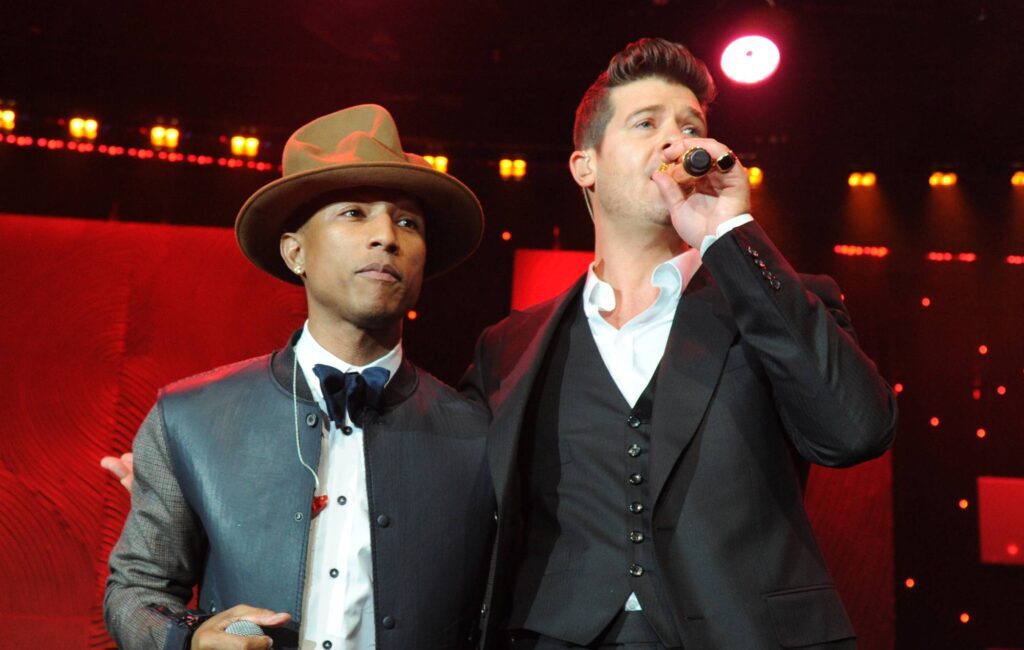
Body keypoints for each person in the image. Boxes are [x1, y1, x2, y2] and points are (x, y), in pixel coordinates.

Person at [460, 38, 898, 649]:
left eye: (690, 126)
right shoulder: (509, 346)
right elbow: (456, 513)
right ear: (585, 164)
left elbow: (855, 431)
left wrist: (728, 235)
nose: (676, 140)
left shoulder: (780, 300)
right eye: (647, 123)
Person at [104, 104, 495, 650]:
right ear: (295, 252)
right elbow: (136, 590)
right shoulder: (190, 418)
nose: (386, 235)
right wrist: (187, 640)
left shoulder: (480, 436)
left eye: (408, 222)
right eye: (355, 213)